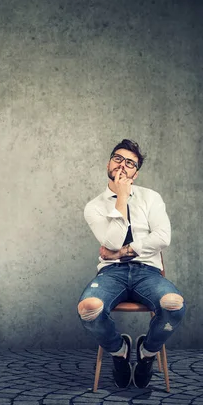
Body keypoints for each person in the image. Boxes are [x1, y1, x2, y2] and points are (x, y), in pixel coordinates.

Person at [77, 139, 186, 389]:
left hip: (147, 271)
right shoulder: (94, 207)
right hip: (111, 274)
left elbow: (163, 237)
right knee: (88, 310)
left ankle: (147, 352)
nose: (122, 166)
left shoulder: (151, 198)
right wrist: (122, 199)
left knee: (175, 306)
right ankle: (119, 350)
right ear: (109, 162)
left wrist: (123, 252)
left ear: (136, 172)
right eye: (118, 158)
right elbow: (112, 241)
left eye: (130, 163)